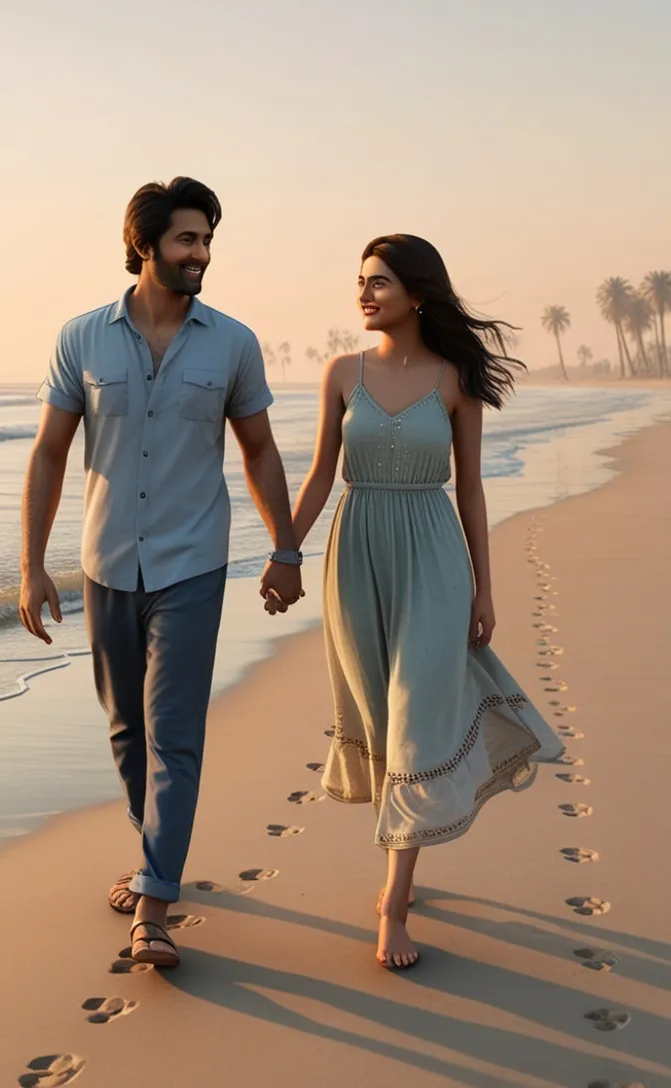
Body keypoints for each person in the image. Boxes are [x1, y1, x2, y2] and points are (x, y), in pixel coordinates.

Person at [19, 177, 303, 968]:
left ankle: (154, 906)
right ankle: (157, 856)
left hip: (192, 563)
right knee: (126, 734)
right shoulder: (82, 338)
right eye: (188, 240)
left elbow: (258, 450)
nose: (201, 255)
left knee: (174, 737)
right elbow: (49, 452)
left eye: (208, 240)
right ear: (144, 245)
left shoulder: (232, 343)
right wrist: (32, 566)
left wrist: (285, 549)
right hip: (106, 562)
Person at [290, 234, 564, 970]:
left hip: (433, 555)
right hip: (356, 556)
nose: (365, 293)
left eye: (379, 282)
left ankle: (394, 904)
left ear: (417, 294)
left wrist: (485, 584)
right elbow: (320, 474)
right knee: (381, 716)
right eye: (360, 280)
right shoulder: (341, 373)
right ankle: (407, 849)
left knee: (413, 719)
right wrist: (285, 551)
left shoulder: (455, 378)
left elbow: (470, 487)